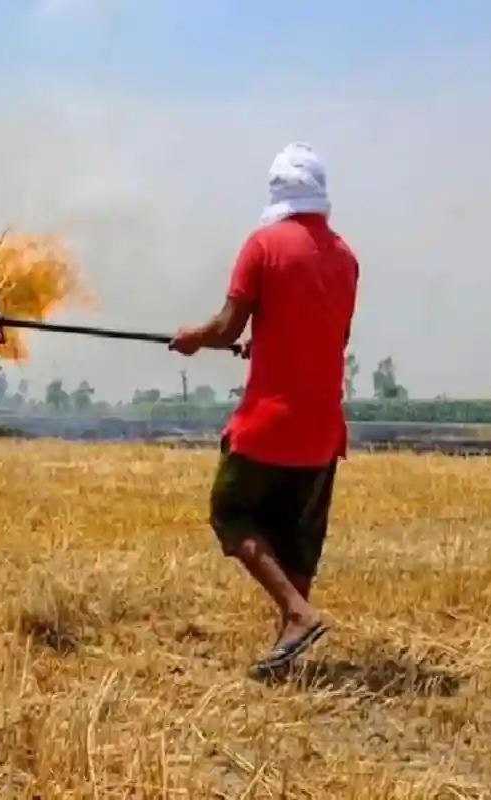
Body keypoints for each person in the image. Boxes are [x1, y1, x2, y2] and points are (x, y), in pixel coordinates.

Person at [168, 142, 359, 677]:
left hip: (270, 424)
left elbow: (227, 327)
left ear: (277, 192)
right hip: (323, 428)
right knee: (296, 536)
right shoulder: (346, 257)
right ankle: (287, 654)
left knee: (231, 512)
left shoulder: (263, 246)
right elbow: (329, 334)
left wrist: (193, 338)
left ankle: (297, 614)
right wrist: (267, 339)